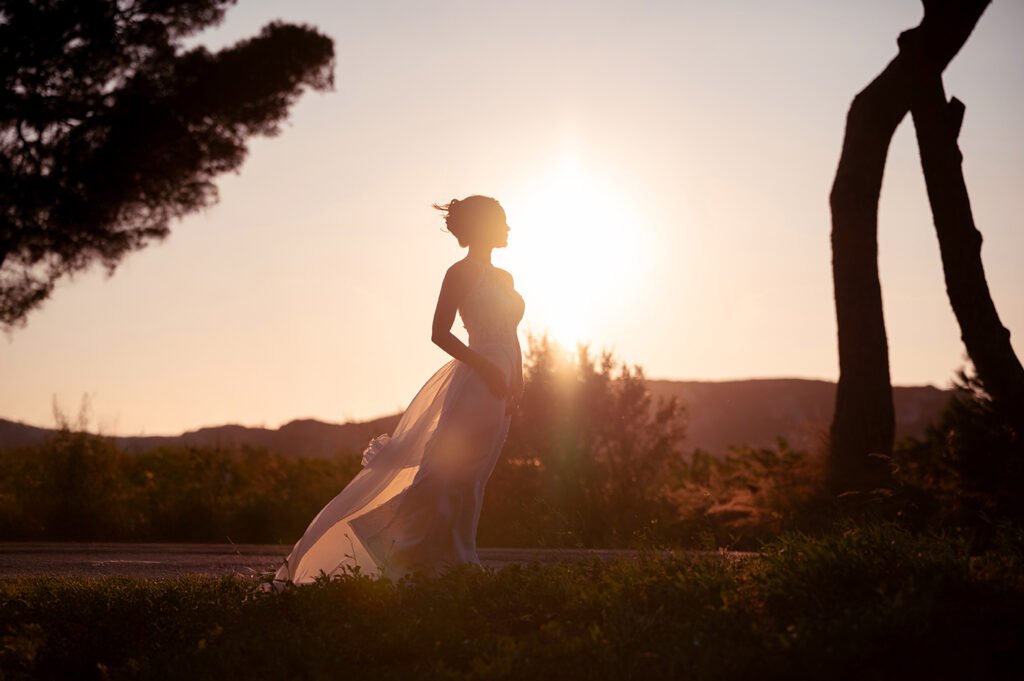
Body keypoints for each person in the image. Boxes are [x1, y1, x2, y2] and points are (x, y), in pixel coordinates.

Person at [272, 195, 524, 584]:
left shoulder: (506, 278)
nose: (507, 227)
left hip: (501, 386)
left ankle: (456, 560)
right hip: (476, 381)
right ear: (481, 226)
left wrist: (517, 382)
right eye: (501, 220)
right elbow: (439, 333)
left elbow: (512, 334)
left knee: (474, 475)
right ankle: (388, 546)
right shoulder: (459, 272)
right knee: (444, 471)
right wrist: (485, 366)